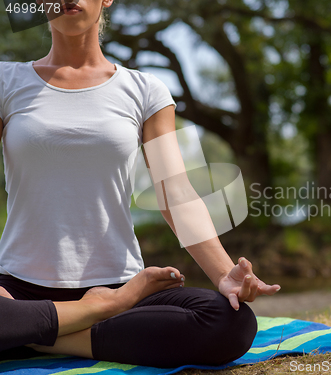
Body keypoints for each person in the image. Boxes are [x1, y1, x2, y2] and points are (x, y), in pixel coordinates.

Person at [0, 0, 280, 368]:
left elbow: (175, 191)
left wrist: (224, 274)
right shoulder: (6, 81)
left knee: (231, 322)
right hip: (20, 290)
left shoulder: (145, 89)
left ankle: (35, 337)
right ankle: (81, 317)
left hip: (124, 289)